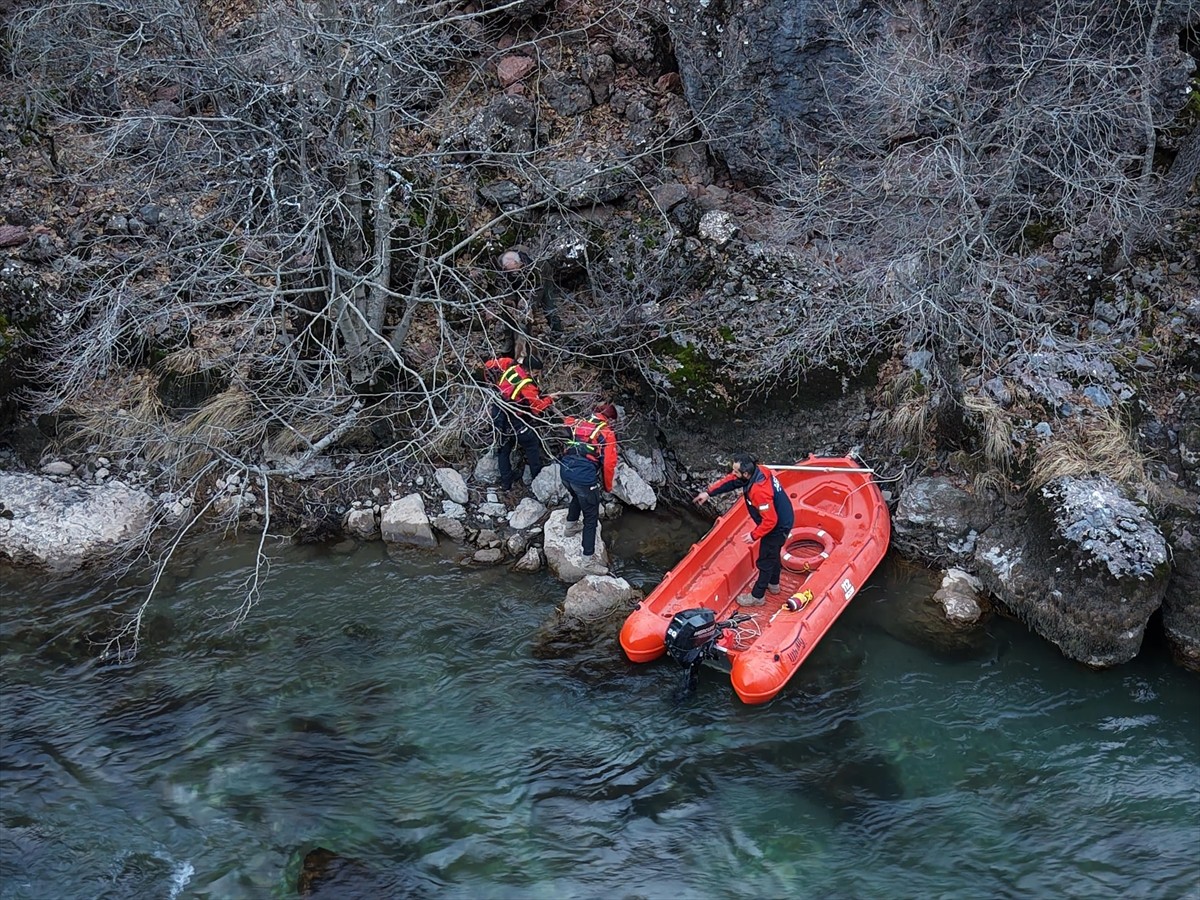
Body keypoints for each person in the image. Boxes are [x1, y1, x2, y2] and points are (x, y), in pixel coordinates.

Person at [693, 452, 795, 607]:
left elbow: (770, 520)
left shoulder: (759, 491)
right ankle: (774, 584)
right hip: (782, 516)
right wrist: (709, 493)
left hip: (777, 526)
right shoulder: (758, 471)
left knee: (766, 559)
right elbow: (732, 481)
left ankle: (757, 596)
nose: (733, 473)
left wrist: (754, 535)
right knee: (773, 553)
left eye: (736, 471)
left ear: (746, 474)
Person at [559, 402, 619, 575]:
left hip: (565, 471)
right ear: (608, 419)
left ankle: (570, 527)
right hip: (584, 477)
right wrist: (607, 487)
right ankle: (588, 561)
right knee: (591, 518)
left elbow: (562, 421)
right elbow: (609, 464)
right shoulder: (606, 433)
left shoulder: (576, 422)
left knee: (577, 496)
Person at [484, 353, 554, 491]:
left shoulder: (510, 366)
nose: (537, 375)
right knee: (532, 444)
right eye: (536, 373)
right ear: (529, 370)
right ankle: (537, 479)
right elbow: (537, 408)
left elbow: (488, 365)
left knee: (503, 450)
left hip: (498, 414)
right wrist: (550, 399)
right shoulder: (526, 385)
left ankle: (506, 482)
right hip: (515, 419)